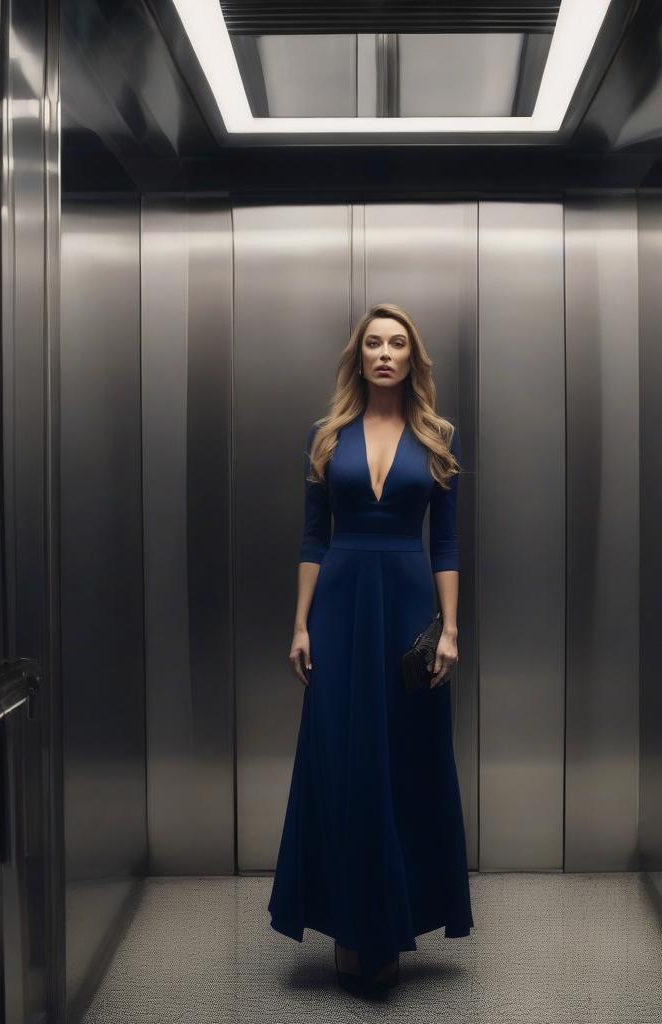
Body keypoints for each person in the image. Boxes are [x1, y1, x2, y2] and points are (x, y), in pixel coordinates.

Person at [267, 302, 475, 996]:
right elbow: (312, 540)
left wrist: (449, 628)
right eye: (374, 343)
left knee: (405, 760)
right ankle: (350, 926)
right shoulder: (325, 437)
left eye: (398, 344)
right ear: (358, 357)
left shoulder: (439, 436)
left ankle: (392, 925)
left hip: (409, 607)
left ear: (413, 359)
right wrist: (300, 625)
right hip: (340, 604)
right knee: (341, 760)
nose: (385, 353)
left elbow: (443, 544)